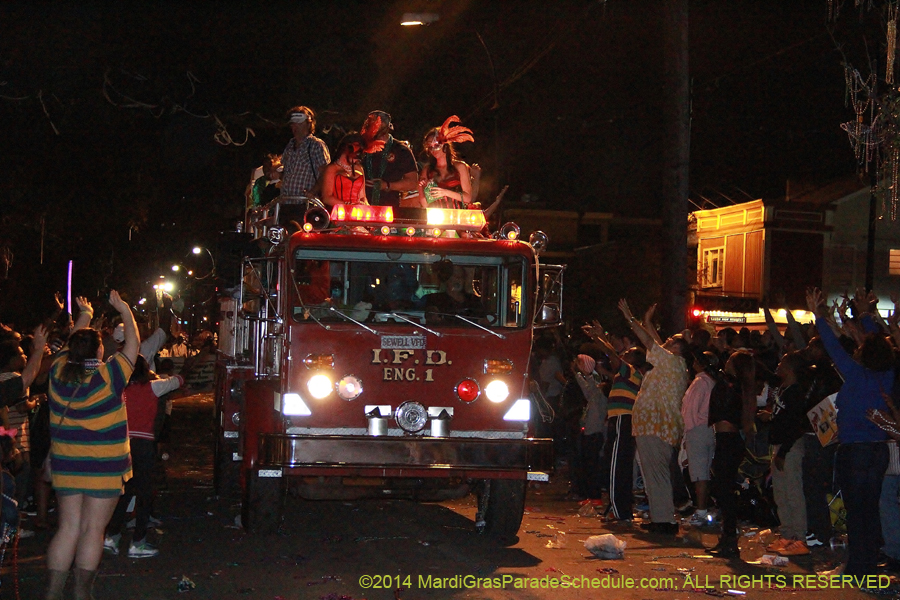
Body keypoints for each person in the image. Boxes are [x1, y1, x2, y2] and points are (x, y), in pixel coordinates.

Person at [44, 290, 138, 600]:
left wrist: (84, 315)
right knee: (92, 530)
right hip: (104, 466)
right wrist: (124, 309)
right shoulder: (109, 376)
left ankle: (53, 592)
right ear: (100, 351)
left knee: (68, 528)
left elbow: (74, 341)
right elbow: (134, 344)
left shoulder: (57, 371)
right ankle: (82, 592)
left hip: (67, 463)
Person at [807, 287, 892, 577]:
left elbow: (832, 346)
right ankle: (867, 563)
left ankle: (857, 567)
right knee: (870, 511)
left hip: (855, 449)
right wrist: (866, 315)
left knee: (857, 513)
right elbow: (877, 343)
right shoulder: (888, 376)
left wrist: (819, 316)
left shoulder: (856, 374)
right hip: (878, 450)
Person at [618, 300, 691, 535]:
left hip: (656, 426)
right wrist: (648, 322)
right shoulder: (672, 364)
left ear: (678, 348)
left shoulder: (672, 362)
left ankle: (664, 521)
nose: (665, 343)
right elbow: (656, 344)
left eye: (671, 342)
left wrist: (631, 318)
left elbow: (651, 343)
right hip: (656, 426)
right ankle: (662, 517)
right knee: (654, 474)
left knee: (656, 474)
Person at [104, 355, 183, 558]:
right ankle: (138, 541)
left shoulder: (118, 389)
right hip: (144, 444)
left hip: (122, 443)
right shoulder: (153, 387)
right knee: (145, 493)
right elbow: (178, 381)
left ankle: (112, 536)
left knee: (125, 491)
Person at [581, 319, 646, 522]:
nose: (623, 355)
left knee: (616, 466)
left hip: (622, 420)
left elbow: (614, 356)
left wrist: (598, 337)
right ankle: (619, 508)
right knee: (618, 465)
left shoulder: (631, 371)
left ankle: (618, 510)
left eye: (628, 354)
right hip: (621, 420)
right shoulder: (628, 375)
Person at [707, 350, 756, 557]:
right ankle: (728, 537)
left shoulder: (731, 385)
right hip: (728, 440)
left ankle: (729, 539)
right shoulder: (739, 387)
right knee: (723, 490)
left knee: (724, 491)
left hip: (728, 441)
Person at [764, 350, 812, 556]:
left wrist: (783, 452)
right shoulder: (785, 389)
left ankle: (799, 537)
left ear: (791, 368)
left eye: (782, 362)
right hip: (780, 445)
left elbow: (795, 425)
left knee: (792, 491)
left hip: (789, 447)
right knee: (781, 493)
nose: (779, 365)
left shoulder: (796, 392)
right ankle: (787, 534)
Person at [681, 350, 719, 527]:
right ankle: (704, 508)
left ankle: (701, 511)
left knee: (698, 474)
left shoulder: (700, 382)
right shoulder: (712, 382)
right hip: (708, 429)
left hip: (697, 429)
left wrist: (686, 430)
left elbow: (690, 410)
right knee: (704, 471)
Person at [360, 110, 418, 207]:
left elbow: (412, 183)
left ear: (385, 125)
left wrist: (387, 185)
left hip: (389, 207)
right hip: (361, 206)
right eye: (369, 122)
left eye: (375, 122)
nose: (371, 126)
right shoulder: (362, 146)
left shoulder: (401, 150)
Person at [416, 116, 474, 209]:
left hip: (457, 217)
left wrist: (445, 192)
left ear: (445, 145)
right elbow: (425, 204)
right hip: (436, 218)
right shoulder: (428, 170)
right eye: (430, 147)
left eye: (436, 145)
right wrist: (421, 187)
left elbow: (467, 198)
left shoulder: (460, 166)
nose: (433, 149)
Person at [280, 106, 330, 198]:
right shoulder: (290, 145)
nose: (295, 126)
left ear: (308, 124)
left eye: (299, 123)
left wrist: (312, 192)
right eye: (293, 124)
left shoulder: (316, 145)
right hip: (286, 201)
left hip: (305, 202)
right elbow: (285, 172)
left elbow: (326, 173)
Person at [320, 133, 368, 207]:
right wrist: (348, 206)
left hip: (358, 214)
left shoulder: (359, 168)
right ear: (346, 149)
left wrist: (366, 206)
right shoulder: (332, 169)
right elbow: (326, 197)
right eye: (356, 154)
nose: (357, 159)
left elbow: (362, 197)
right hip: (339, 213)